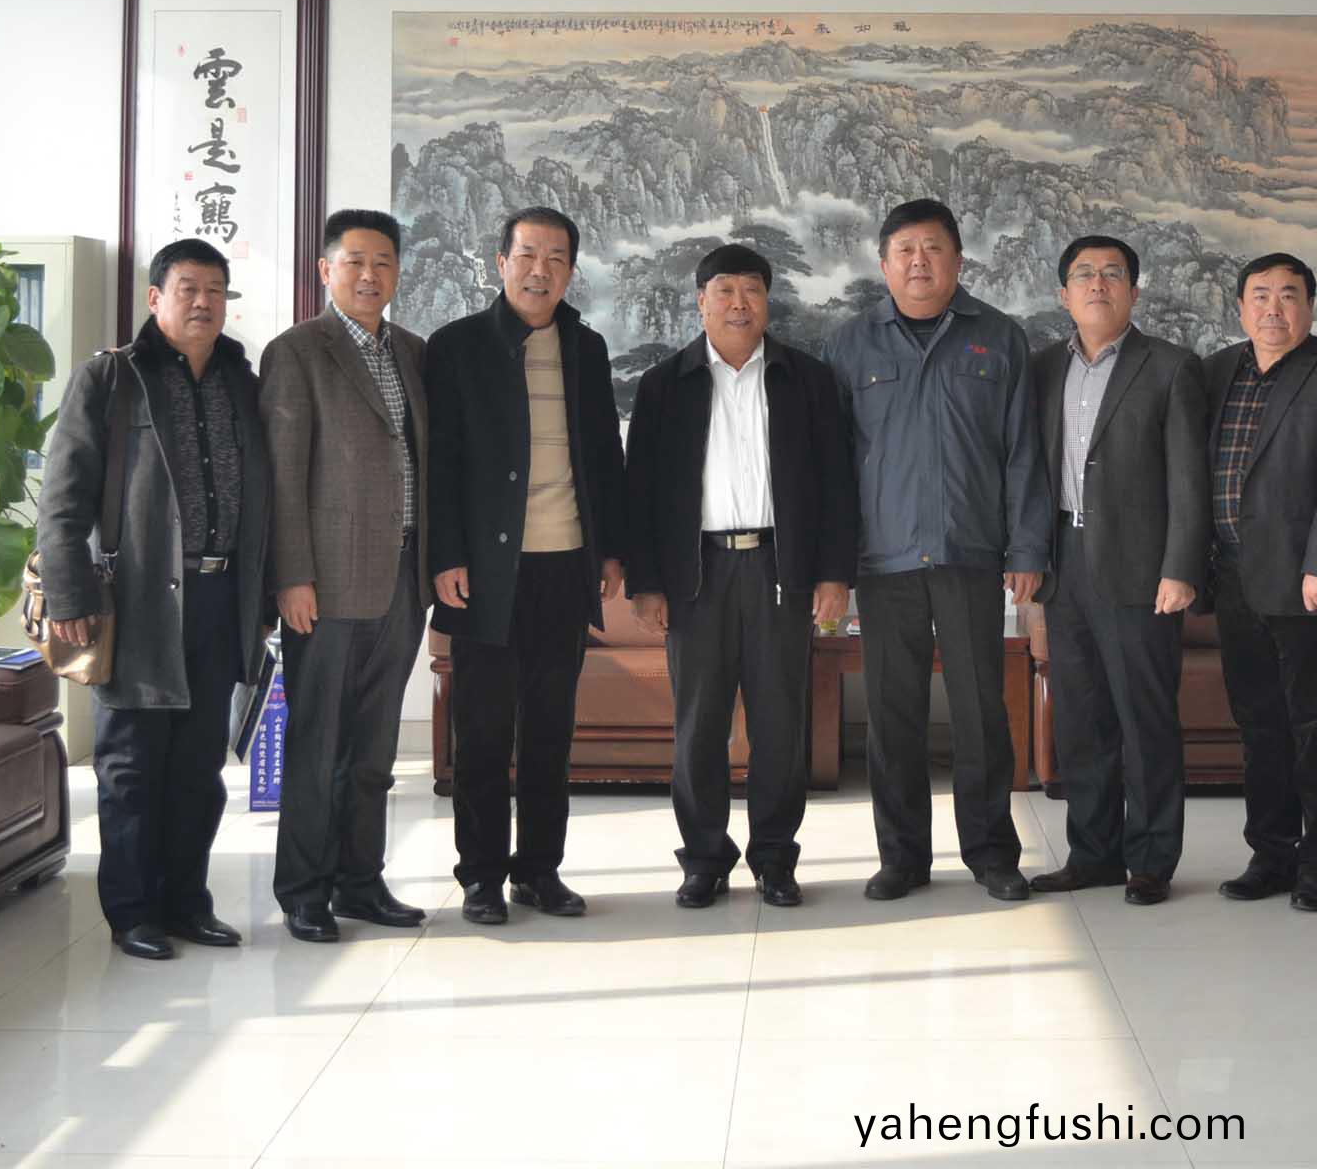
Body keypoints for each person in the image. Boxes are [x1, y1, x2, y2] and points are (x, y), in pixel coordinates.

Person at [37, 238, 269, 961]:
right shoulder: (111, 378)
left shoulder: (242, 380)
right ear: (155, 297)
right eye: (188, 288)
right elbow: (62, 498)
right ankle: (133, 911)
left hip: (222, 595)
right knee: (132, 765)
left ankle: (187, 902)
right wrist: (70, 593)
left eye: (216, 290)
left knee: (199, 767)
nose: (204, 302)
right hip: (137, 601)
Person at [821, 198, 1050, 902]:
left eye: (933, 249)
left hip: (970, 553)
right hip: (883, 559)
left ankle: (992, 854)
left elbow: (1023, 452)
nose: (919, 262)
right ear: (884, 264)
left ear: (958, 259)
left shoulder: (1000, 338)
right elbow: (831, 464)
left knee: (981, 710)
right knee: (893, 714)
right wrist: (835, 565)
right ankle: (902, 858)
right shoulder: (850, 345)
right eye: (905, 250)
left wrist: (1026, 547)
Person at [623, 244, 857, 908]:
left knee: (780, 723)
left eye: (751, 290)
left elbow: (837, 483)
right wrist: (646, 583)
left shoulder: (806, 379)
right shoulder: (665, 384)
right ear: (701, 301)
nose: (738, 303)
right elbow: (638, 491)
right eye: (723, 291)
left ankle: (775, 859)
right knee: (700, 725)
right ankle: (704, 859)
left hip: (782, 568)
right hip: (696, 573)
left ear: (767, 302)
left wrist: (834, 574)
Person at [426, 206, 628, 924]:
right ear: (500, 262)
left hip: (564, 566)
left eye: (556, 258)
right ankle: (480, 876)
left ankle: (539, 871)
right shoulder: (456, 347)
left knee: (550, 729)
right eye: (528, 255)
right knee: (482, 732)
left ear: (571, 270)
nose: (541, 270)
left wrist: (611, 549)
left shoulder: (587, 347)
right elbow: (439, 462)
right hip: (483, 573)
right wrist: (446, 555)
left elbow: (603, 455)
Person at [258, 209, 432, 943]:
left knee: (374, 749)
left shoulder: (414, 352)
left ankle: (361, 881)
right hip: (325, 585)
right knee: (318, 745)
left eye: (383, 262)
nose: (370, 275)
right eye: (355, 261)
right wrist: (292, 576)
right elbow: (282, 474)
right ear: (326, 270)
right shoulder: (298, 351)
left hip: (403, 578)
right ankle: (304, 891)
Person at [1028, 236, 1209, 905]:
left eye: (1112, 274)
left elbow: (1189, 477)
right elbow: (1026, 471)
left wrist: (1180, 567)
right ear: (1063, 294)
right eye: (1083, 275)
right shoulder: (1042, 368)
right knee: (1082, 720)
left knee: (1144, 718)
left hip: (1141, 569)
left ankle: (1151, 859)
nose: (1097, 284)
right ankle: (1093, 854)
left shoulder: (1171, 367)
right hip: (1062, 564)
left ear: (1134, 290)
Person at [1201, 252, 1317, 912]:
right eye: (1260, 295)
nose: (1273, 308)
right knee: (1258, 725)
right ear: (1241, 306)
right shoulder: (1217, 370)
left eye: (1288, 295)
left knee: (1316, 725)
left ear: (1310, 305)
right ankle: (1270, 855)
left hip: (1307, 583)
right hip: (1234, 578)